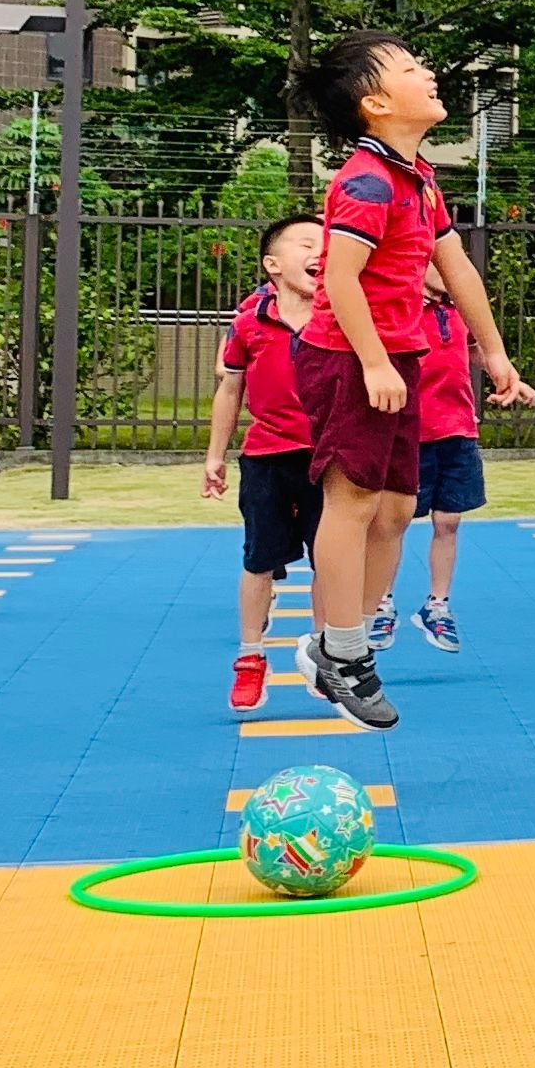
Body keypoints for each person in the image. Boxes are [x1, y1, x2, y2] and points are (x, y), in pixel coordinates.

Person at [295, 36, 533, 731]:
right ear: (375, 103)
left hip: (399, 357)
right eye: (409, 69)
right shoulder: (366, 180)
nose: (429, 73)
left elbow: (457, 271)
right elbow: (339, 279)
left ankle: (342, 638)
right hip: (349, 358)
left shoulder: (420, 177)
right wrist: (370, 361)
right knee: (354, 501)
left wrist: (493, 354)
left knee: (399, 511)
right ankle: (343, 652)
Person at [202, 216, 323, 714]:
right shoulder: (250, 322)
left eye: (327, 243)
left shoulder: (341, 316)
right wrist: (214, 455)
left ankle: (328, 656)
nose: (321, 251)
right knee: (257, 562)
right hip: (267, 457)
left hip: (329, 459)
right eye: (307, 243)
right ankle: (251, 656)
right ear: (272, 265)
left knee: (330, 563)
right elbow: (230, 388)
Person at [410, 295, 486, 651]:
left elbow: (475, 350)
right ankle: (380, 601)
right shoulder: (402, 305)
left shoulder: (460, 309)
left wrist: (506, 377)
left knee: (449, 520)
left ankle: (437, 605)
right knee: (392, 522)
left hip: (457, 427)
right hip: (411, 430)